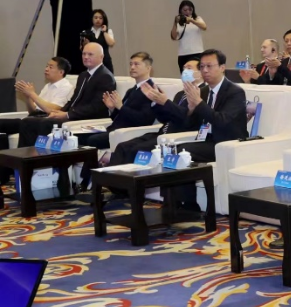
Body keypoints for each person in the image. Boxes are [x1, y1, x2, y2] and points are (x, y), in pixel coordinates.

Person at [175, 50, 248, 210]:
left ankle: (188, 206)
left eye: (209, 66)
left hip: (227, 142)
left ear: (222, 67)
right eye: (202, 67)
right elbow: (189, 124)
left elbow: (222, 121)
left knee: (182, 152)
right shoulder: (203, 91)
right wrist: (191, 108)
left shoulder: (235, 92)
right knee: (173, 150)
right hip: (207, 140)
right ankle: (174, 202)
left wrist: (199, 103)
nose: (205, 70)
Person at [77, 52, 159, 187]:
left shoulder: (152, 91)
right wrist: (112, 108)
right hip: (115, 128)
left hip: (129, 132)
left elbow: (144, 120)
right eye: (131, 64)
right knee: (80, 136)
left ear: (148, 68)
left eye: (137, 64)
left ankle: (87, 182)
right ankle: (85, 180)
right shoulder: (132, 90)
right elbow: (120, 115)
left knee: (92, 140)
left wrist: (121, 107)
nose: (132, 67)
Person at [107, 59, 204, 166]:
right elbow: (165, 118)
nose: (184, 71)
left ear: (200, 73)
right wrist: (155, 103)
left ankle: (128, 176)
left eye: (189, 68)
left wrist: (166, 102)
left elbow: (186, 118)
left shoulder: (203, 93)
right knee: (122, 147)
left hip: (176, 135)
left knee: (136, 150)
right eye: (184, 68)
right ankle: (109, 176)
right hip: (162, 132)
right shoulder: (180, 94)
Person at [16, 44, 116, 148]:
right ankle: (24, 155)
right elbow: (73, 100)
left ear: (101, 57)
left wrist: (67, 114)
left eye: (90, 54)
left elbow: (96, 107)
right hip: (74, 115)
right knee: (27, 122)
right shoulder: (83, 75)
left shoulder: (105, 77)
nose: (86, 57)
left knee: (46, 123)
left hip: (87, 119)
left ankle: (43, 156)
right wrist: (59, 112)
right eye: (84, 54)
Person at [0, 58, 75, 183]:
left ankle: (19, 165)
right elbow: (32, 111)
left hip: (46, 121)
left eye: (51, 67)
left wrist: (32, 94)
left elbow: (53, 110)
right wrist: (28, 97)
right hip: (35, 118)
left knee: (26, 122)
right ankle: (5, 170)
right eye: (46, 66)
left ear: (61, 72)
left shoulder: (66, 87)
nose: (46, 69)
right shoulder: (47, 86)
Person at [169, 0, 207, 71]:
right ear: (181, 10)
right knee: (185, 75)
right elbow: (173, 37)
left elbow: (204, 27)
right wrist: (175, 22)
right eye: (185, 10)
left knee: (196, 73)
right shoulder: (179, 22)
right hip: (183, 54)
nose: (188, 12)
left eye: (190, 10)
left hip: (197, 52)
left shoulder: (197, 18)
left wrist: (192, 21)